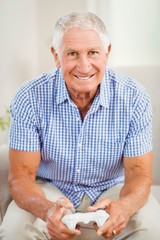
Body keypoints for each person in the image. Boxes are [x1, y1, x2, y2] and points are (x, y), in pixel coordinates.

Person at [0, 11, 160, 240]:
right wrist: (47, 210)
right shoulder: (29, 97)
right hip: (50, 189)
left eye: (93, 53)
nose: (84, 66)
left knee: (152, 226)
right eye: (73, 54)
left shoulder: (134, 97)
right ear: (56, 56)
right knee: (14, 230)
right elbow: (21, 177)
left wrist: (124, 207)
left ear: (107, 53)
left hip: (111, 190)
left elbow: (139, 174)